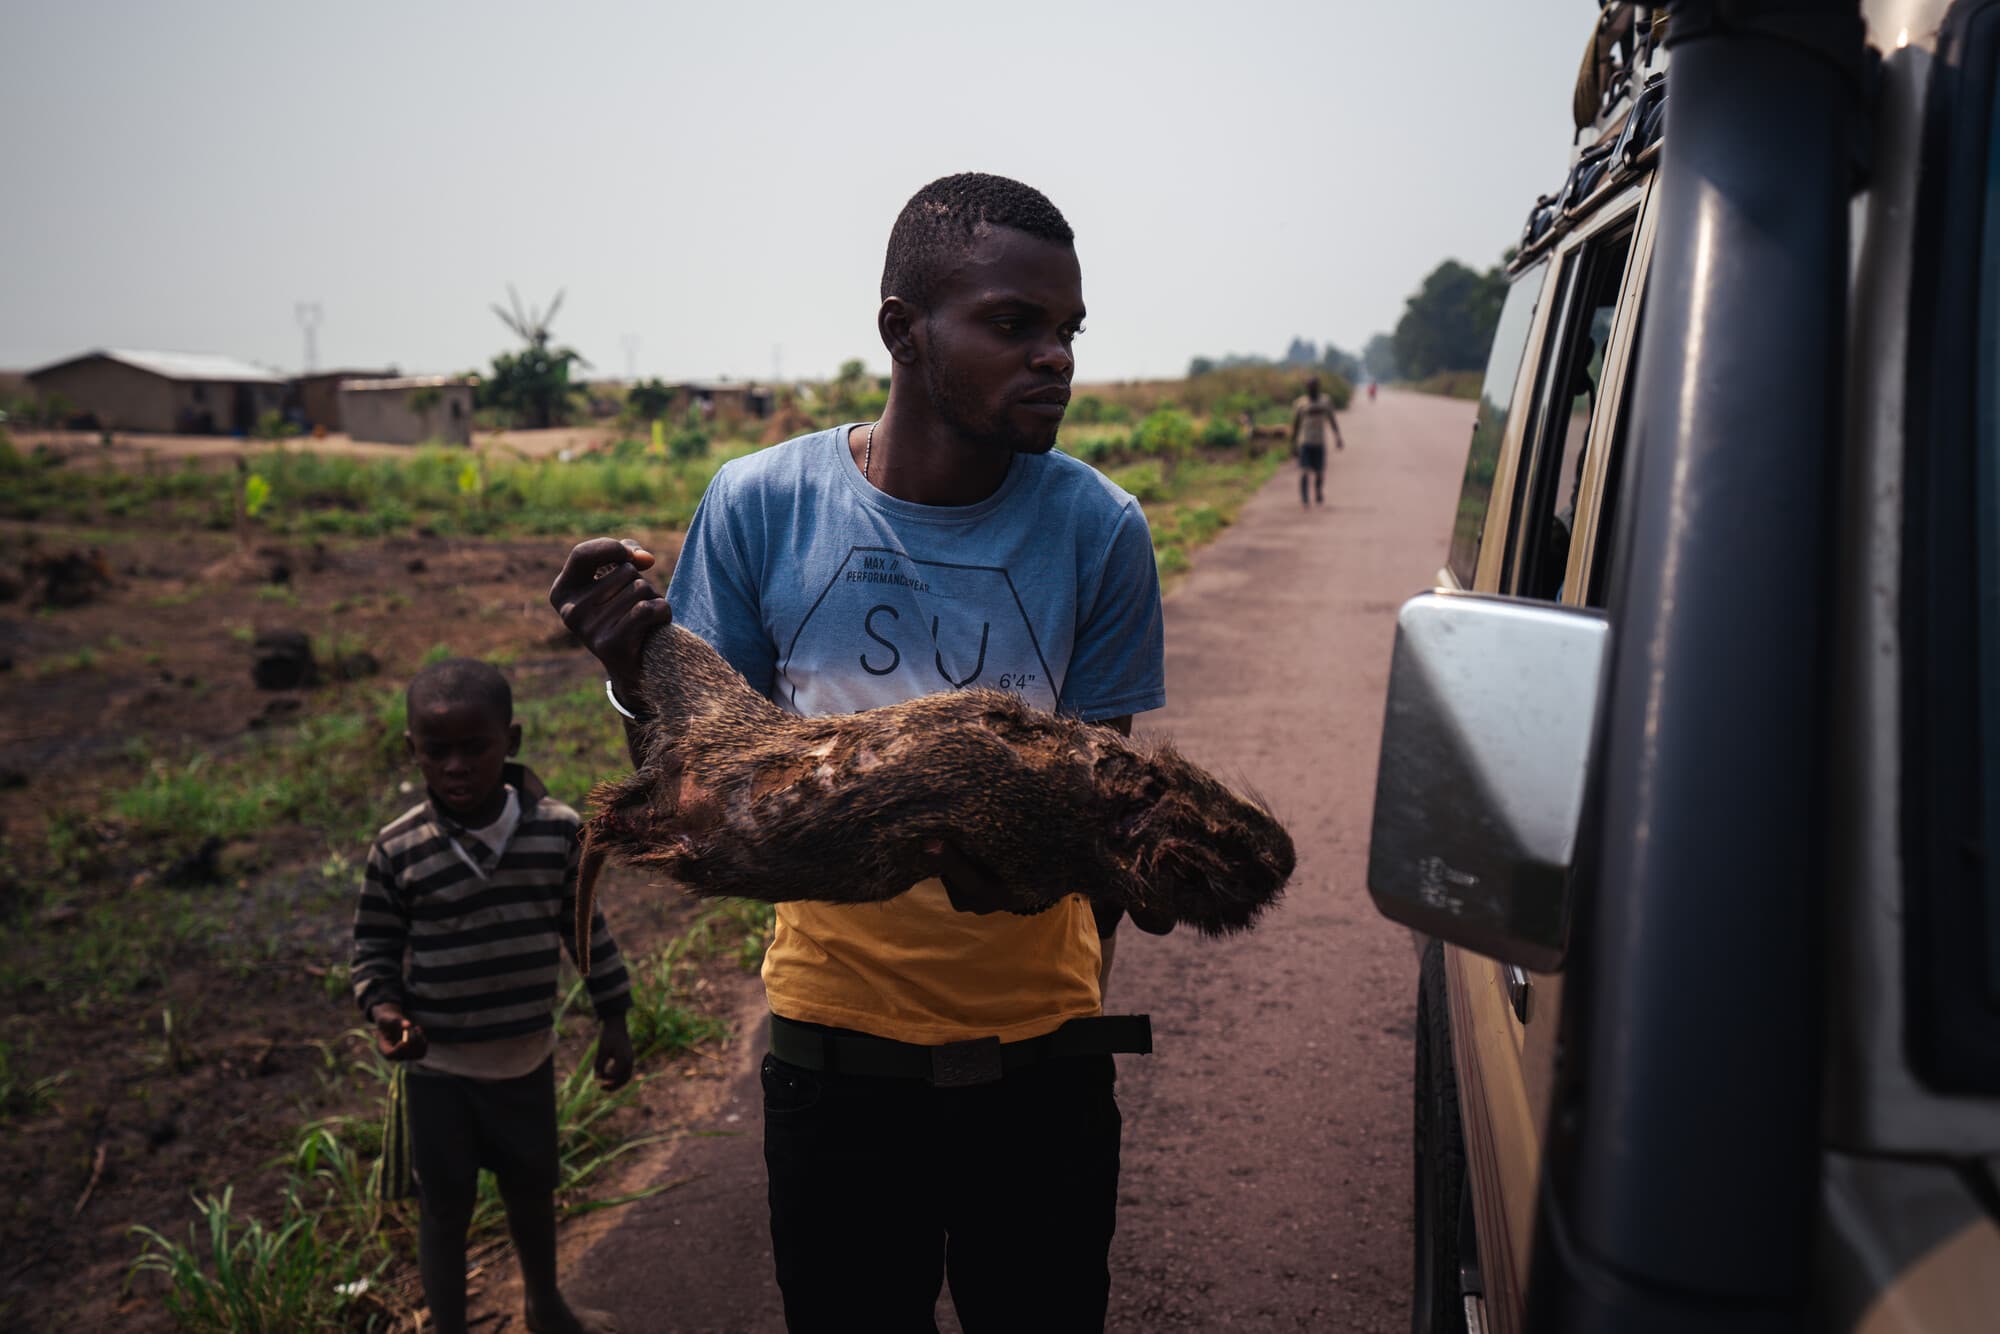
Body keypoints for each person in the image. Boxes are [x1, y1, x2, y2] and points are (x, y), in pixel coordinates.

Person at [549, 172, 1169, 1333]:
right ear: (901, 329)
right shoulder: (761, 506)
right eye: (1012, 323)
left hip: (1042, 1067)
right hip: (834, 1064)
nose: (1055, 358)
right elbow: (692, 781)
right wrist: (633, 671)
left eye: (1066, 330)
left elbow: (1093, 822)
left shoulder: (1100, 531)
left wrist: (1045, 882)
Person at [351, 658, 634, 1334]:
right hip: (439, 1070)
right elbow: (374, 951)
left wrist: (614, 1020)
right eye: (435, 750)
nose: (454, 766)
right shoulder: (399, 849)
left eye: (473, 747)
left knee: (532, 1190)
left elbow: (586, 932)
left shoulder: (558, 832)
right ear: (410, 750)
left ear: (510, 741)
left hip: (524, 1063)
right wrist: (386, 1013)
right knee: (444, 1207)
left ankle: (545, 1304)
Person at [1290, 376, 1345, 507]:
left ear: (1318, 387)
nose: (1312, 389)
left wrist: (1337, 437)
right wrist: (1292, 443)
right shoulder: (1300, 403)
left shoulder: (1325, 401)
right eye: (1310, 387)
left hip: (1319, 442)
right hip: (1305, 441)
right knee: (1304, 471)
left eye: (1314, 386)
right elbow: (1296, 424)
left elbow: (1332, 420)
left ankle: (1318, 491)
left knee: (1319, 472)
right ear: (1306, 388)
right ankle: (1304, 498)